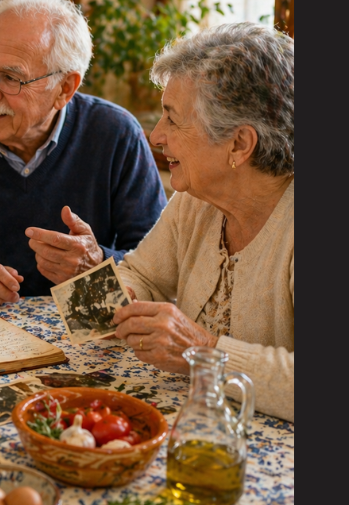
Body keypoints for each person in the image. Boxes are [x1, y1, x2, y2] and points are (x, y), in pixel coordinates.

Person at [0, 0, 166, 307]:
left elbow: (159, 268)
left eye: (11, 78)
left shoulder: (116, 134)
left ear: (65, 88)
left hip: (82, 333)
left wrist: (96, 265)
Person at [112, 23, 294, 422]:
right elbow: (142, 275)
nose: (157, 136)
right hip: (196, 428)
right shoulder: (197, 199)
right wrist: (120, 294)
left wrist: (204, 351)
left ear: (240, 144)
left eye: (173, 120)